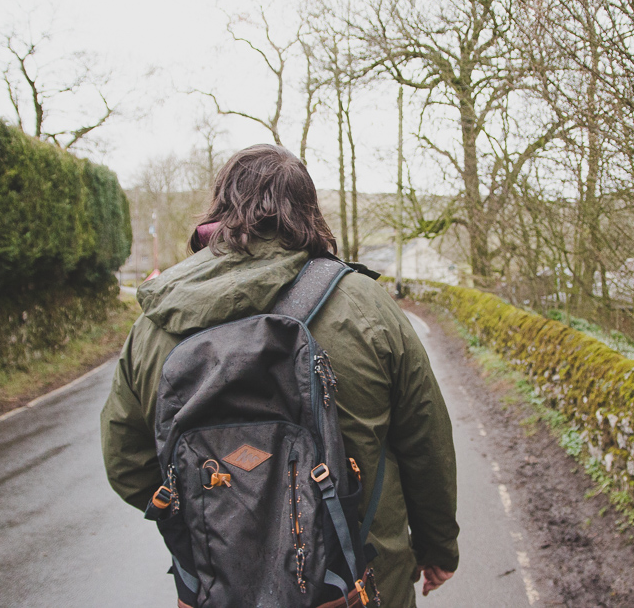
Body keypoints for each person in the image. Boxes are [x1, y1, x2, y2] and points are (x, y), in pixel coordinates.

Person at [100, 144, 459, 607]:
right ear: (308, 212)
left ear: (220, 207)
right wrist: (437, 549)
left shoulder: (155, 320)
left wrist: (218, 520)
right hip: (359, 587)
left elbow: (126, 462)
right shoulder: (367, 307)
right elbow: (425, 446)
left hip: (220, 592)